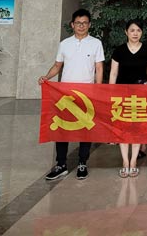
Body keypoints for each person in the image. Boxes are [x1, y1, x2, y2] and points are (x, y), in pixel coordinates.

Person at [40, 9, 104, 181]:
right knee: (62, 129)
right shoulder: (65, 44)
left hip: (87, 94)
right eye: (78, 23)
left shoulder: (96, 43)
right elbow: (57, 66)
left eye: (84, 23)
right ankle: (61, 164)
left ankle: (82, 163)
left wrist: (98, 90)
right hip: (65, 94)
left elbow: (99, 68)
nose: (81, 26)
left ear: (89, 25)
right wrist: (46, 77)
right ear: (72, 25)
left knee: (86, 129)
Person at [109, 19, 147, 178]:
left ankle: (133, 161)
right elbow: (113, 73)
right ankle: (125, 161)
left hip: (141, 94)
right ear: (126, 32)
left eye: (138, 30)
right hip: (122, 95)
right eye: (132, 30)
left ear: (142, 32)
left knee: (137, 128)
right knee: (123, 128)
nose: (135, 33)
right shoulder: (119, 51)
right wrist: (111, 92)